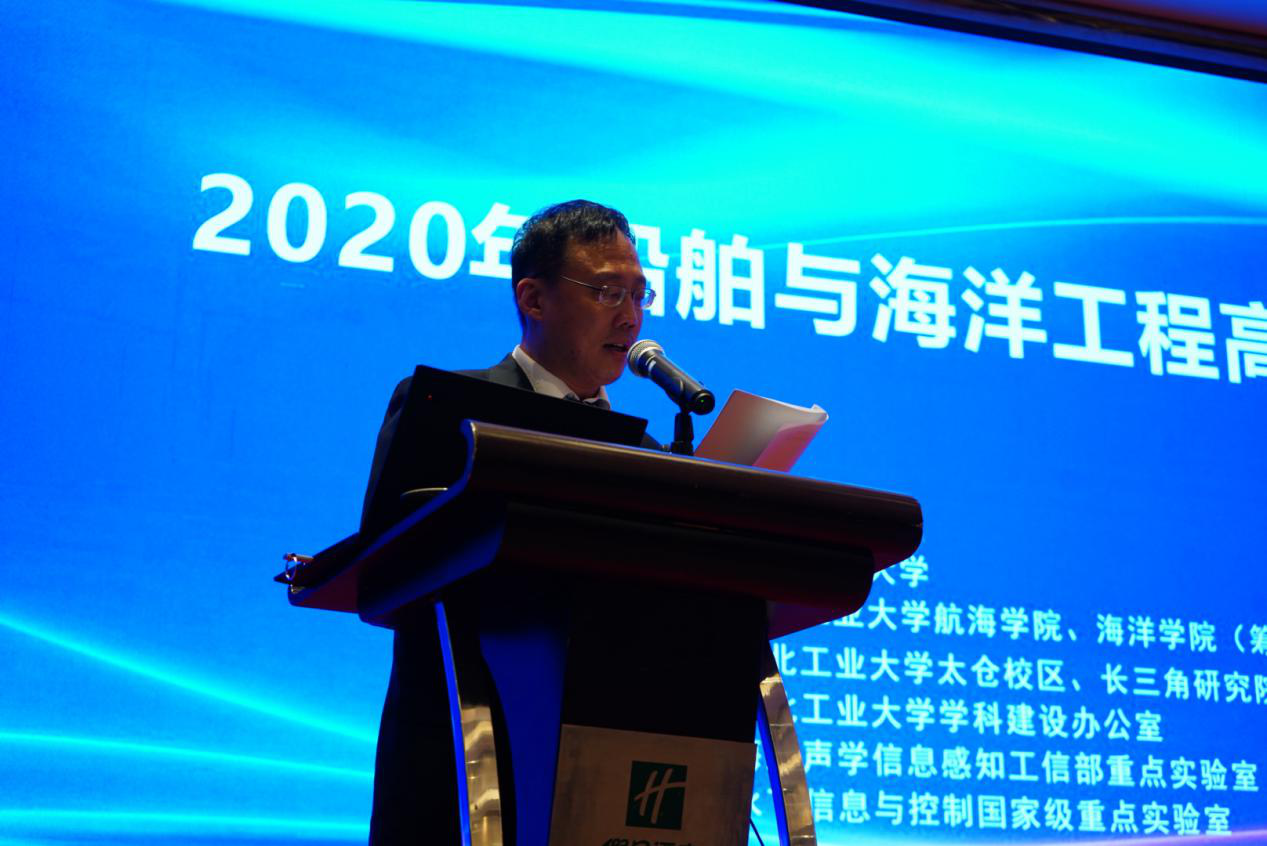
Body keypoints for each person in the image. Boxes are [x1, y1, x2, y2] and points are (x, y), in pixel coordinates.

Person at [365, 199, 658, 844]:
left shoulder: (648, 457)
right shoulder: (446, 412)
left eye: (639, 294)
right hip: (463, 751)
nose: (630, 315)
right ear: (534, 298)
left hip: (612, 753)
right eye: (607, 291)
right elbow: (385, 564)